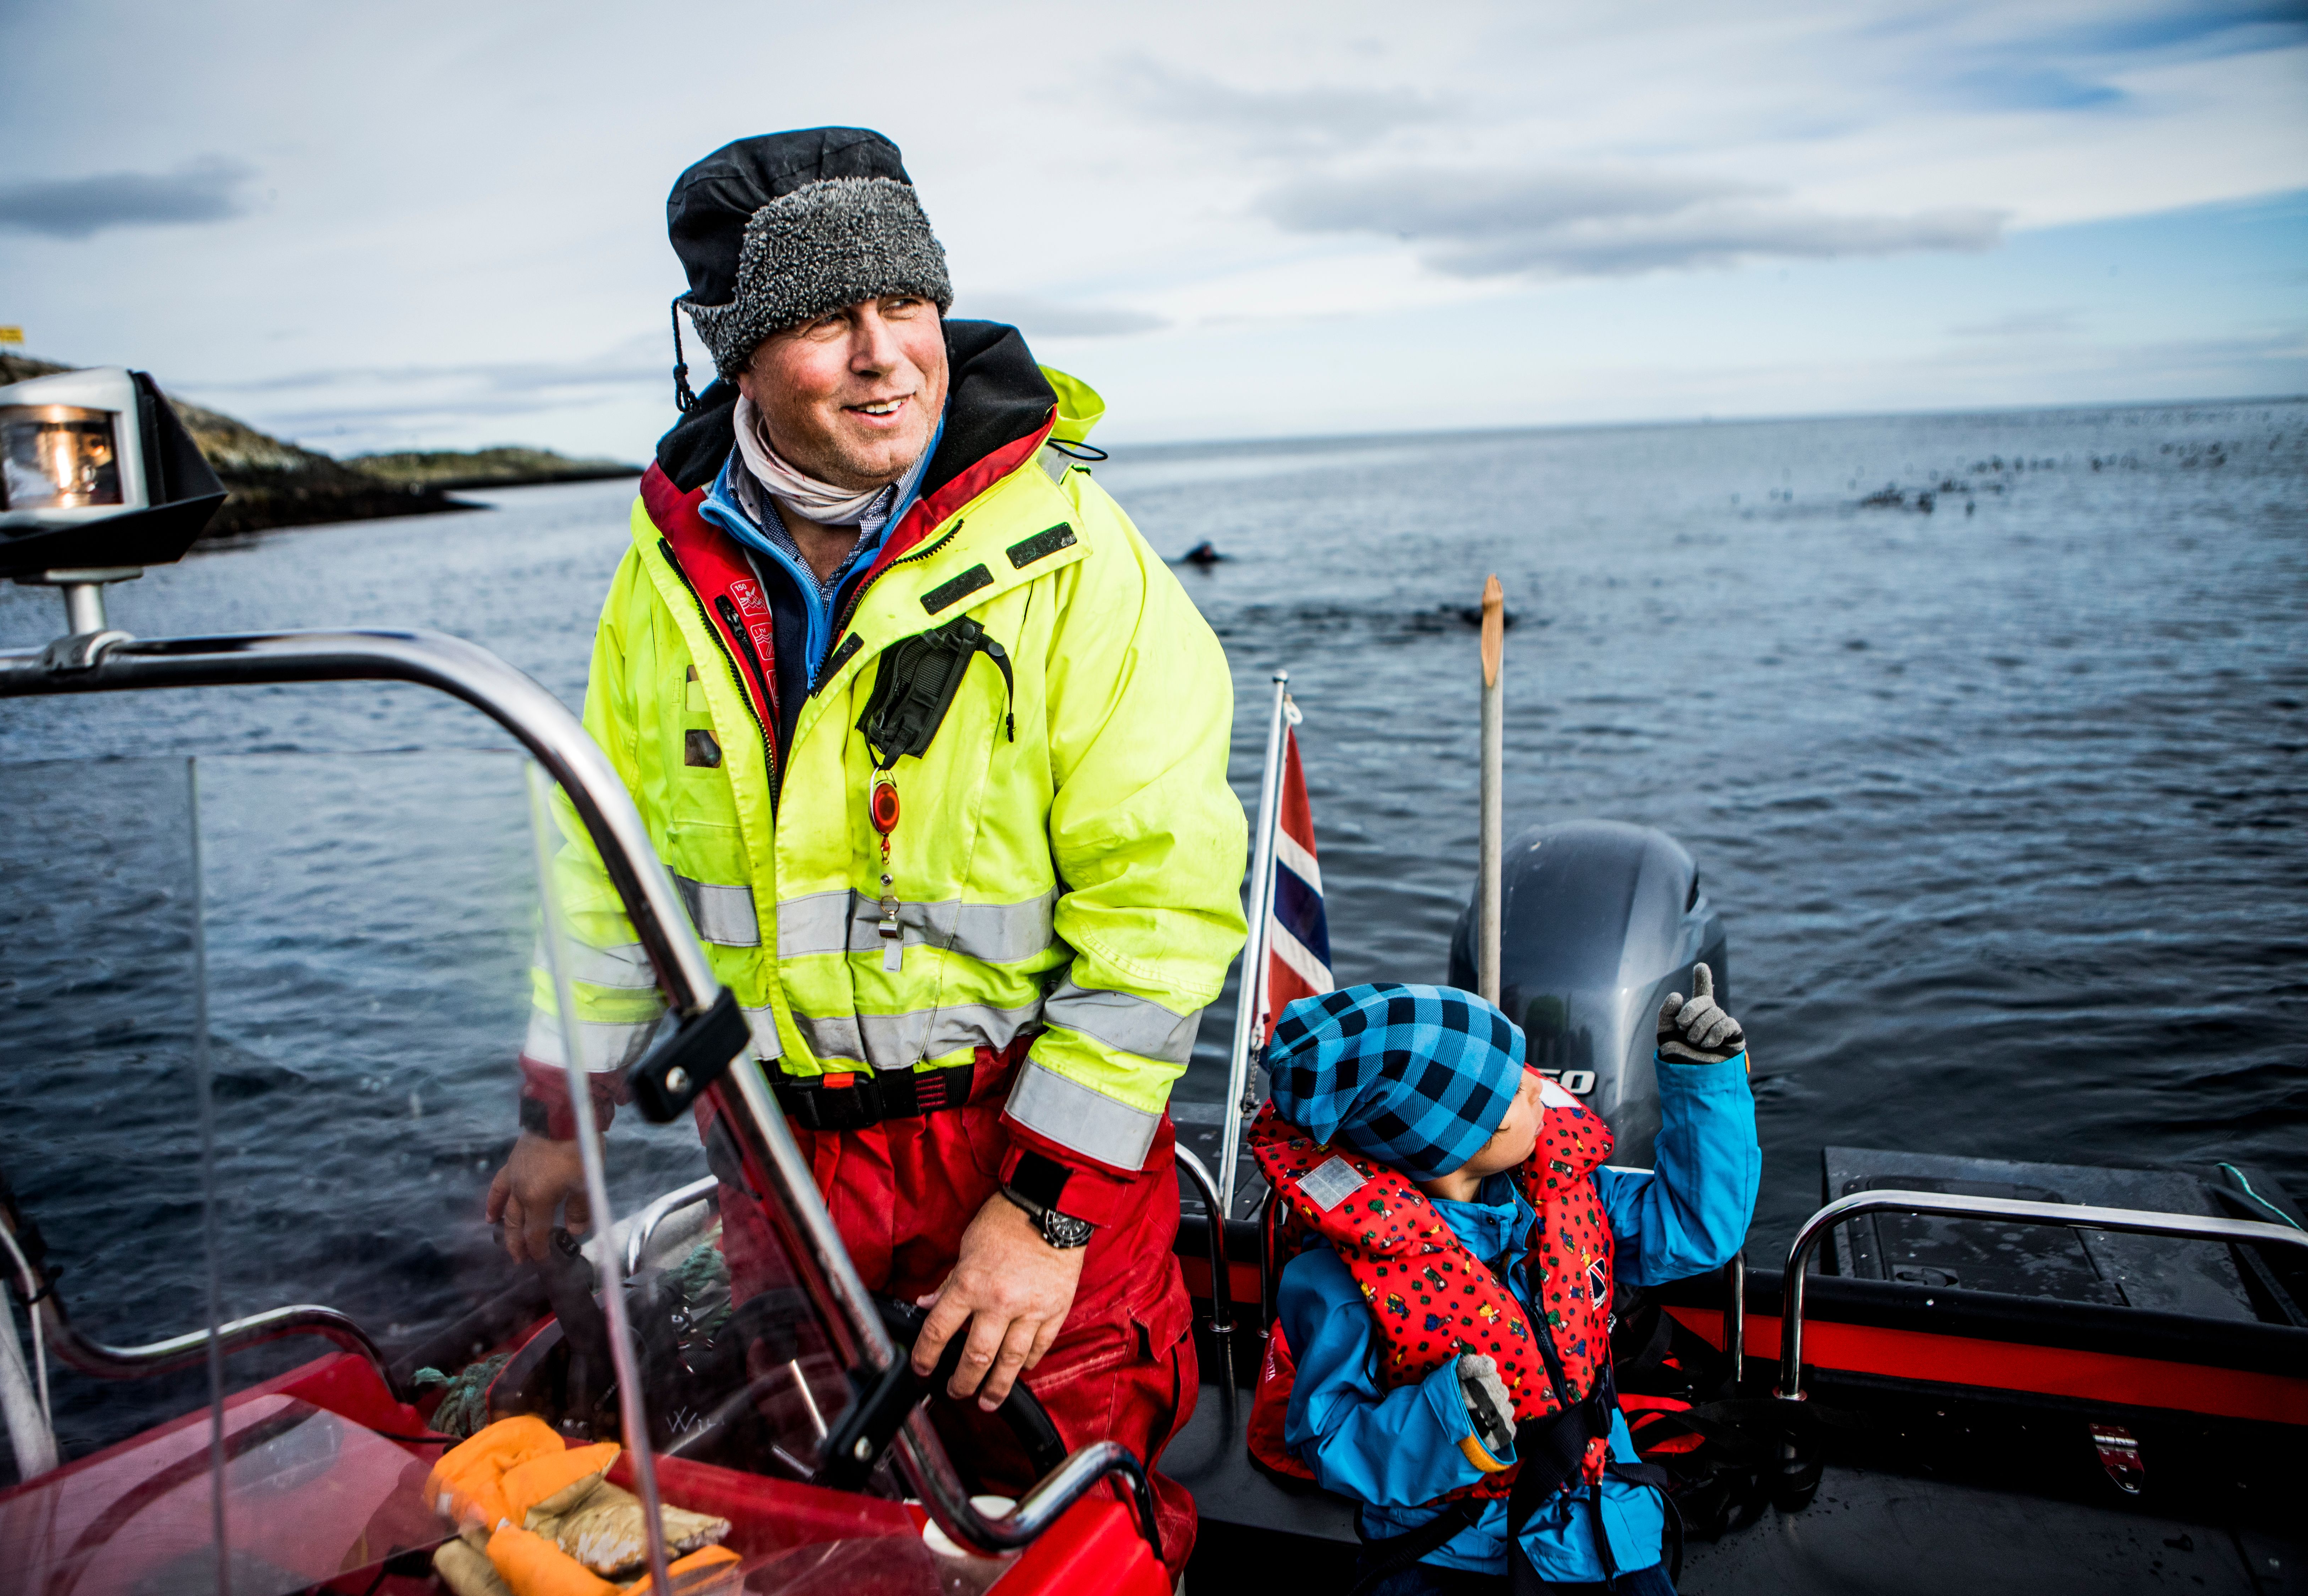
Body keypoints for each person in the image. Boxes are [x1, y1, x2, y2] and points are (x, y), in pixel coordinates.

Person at [483, 126, 1246, 1564]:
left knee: (1060, 1532)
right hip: (773, 1168)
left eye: (909, 306)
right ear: (739, 353)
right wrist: (555, 1122)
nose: (889, 352)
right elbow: (601, 878)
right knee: (822, 1527)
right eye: (831, 319)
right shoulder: (663, 577)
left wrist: (1046, 1211)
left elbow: (1165, 910)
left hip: (1017, 1165)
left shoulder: (1081, 560)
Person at [1247, 971, 1759, 1594]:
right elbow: (1325, 1435)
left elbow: (1695, 1231)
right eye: (1516, 1093)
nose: (1542, 1091)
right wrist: (1448, 1423)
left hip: (1608, 1524)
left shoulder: (1574, 1196)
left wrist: (1703, 1081)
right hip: (1451, 1551)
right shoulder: (1343, 1281)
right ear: (1452, 1145)